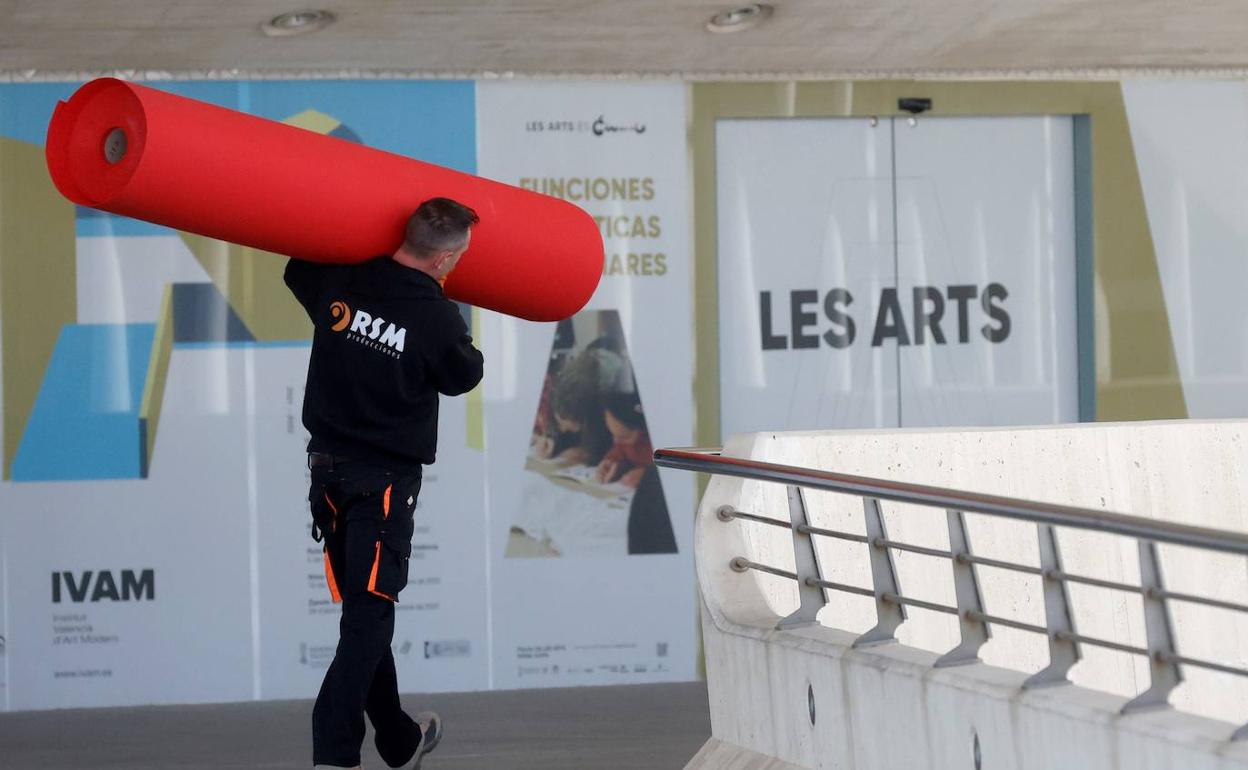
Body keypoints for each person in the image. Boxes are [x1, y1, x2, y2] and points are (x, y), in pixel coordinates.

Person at [284, 197, 484, 770]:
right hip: (384, 482)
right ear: (446, 258)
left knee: (364, 612)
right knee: (370, 612)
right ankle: (334, 748)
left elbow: (298, 269)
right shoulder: (437, 317)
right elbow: (464, 375)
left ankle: (398, 739)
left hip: (327, 474)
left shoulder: (343, 280)